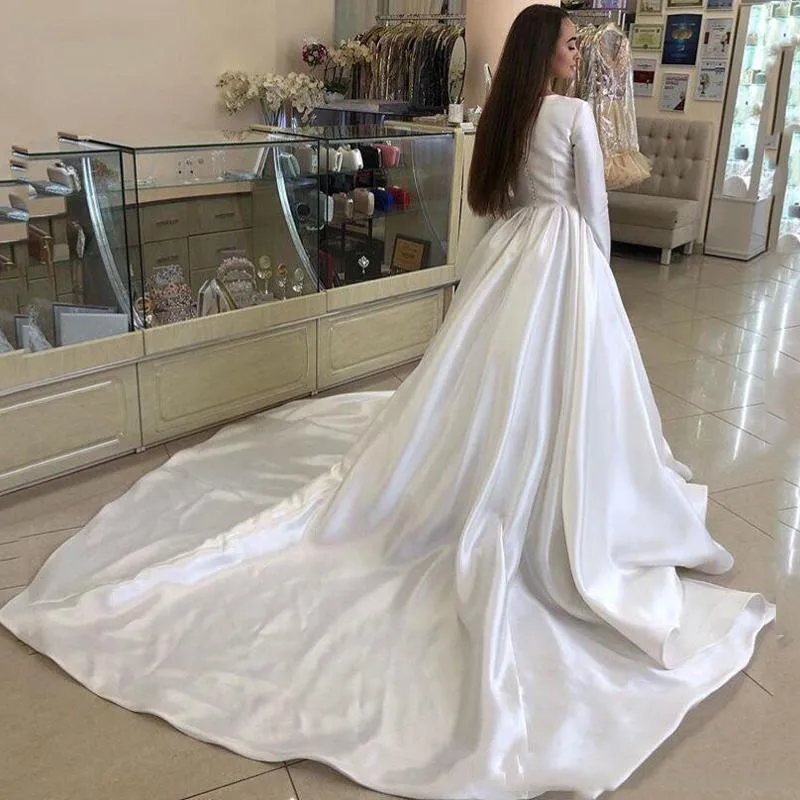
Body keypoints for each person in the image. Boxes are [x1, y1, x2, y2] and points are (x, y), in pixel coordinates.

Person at [0, 6, 773, 800]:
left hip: (513, 254)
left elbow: (492, 203)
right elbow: (592, 210)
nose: (578, 53)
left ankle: (498, 460)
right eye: (572, 43)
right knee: (566, 383)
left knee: (490, 383)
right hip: (561, 256)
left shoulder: (505, 113)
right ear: (547, 51)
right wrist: (598, 276)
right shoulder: (571, 116)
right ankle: (560, 481)